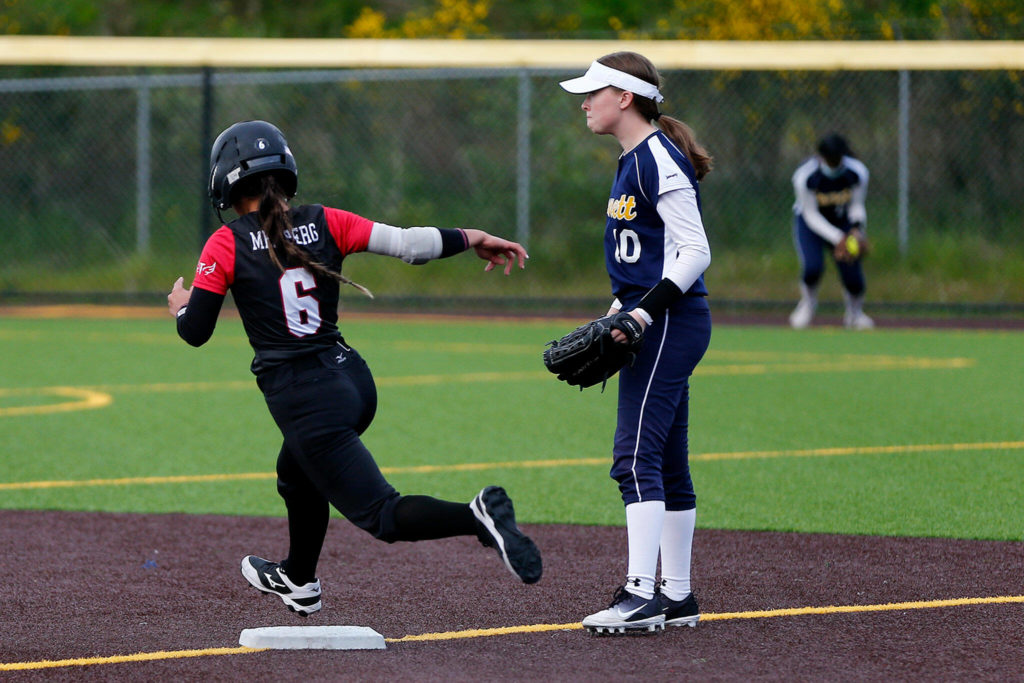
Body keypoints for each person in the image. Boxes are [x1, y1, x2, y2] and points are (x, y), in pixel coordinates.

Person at [167, 120, 541, 617]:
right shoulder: (324, 220)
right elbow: (410, 245)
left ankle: (477, 517)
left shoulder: (226, 243)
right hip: (352, 379)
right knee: (295, 474)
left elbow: (196, 331)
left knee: (383, 515)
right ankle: (299, 578)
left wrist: (179, 305)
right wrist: (473, 236)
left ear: (225, 183)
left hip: (306, 398)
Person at [559, 52, 712, 634]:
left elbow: (694, 252)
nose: (585, 103)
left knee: (634, 459)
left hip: (668, 322)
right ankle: (676, 595)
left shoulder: (655, 159)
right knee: (667, 461)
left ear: (625, 97)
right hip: (658, 319)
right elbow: (646, 258)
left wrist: (642, 314)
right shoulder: (634, 159)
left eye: (593, 92)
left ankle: (640, 594)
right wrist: (614, 313)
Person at [789, 133, 873, 330]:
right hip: (811, 225)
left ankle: (855, 313)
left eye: (837, 159)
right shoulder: (805, 176)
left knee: (853, 275)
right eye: (829, 159)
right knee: (812, 268)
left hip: (843, 222)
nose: (833, 163)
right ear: (821, 157)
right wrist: (839, 238)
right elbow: (810, 214)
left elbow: (857, 206)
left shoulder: (857, 172)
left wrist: (856, 230)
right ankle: (808, 305)